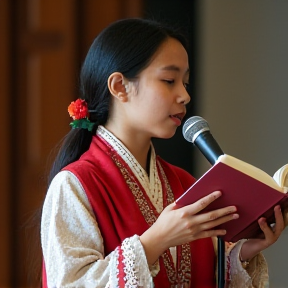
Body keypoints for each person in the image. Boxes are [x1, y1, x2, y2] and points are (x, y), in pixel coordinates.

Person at [41, 18, 285, 288]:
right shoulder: (76, 185)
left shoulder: (182, 183)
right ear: (120, 86)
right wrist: (156, 241)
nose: (184, 95)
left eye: (185, 83)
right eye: (169, 80)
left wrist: (246, 251)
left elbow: (203, 268)